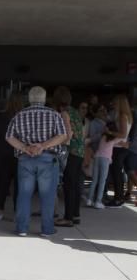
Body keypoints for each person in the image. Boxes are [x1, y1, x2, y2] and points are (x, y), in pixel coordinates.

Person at [6, 86, 67, 237]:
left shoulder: (19, 115)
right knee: (47, 195)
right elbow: (62, 136)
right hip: (48, 157)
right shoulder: (53, 114)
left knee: (24, 194)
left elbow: (9, 137)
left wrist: (25, 148)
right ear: (45, 99)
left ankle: (22, 228)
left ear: (29, 99)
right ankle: (47, 229)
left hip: (26, 159)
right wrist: (43, 146)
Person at [52, 87, 85, 227]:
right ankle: (76, 215)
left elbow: (68, 134)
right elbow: (81, 133)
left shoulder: (65, 113)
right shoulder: (76, 112)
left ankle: (68, 218)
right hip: (80, 151)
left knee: (68, 185)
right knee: (76, 185)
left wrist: (57, 145)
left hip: (71, 152)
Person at [0, 93, 23, 221]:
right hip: (19, 154)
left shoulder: (0, 117)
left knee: (3, 184)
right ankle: (16, 211)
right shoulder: (22, 118)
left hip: (2, 154)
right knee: (18, 185)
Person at [87, 123, 124, 209]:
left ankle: (89, 200)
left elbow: (93, 139)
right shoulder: (114, 138)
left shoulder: (102, 137)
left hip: (97, 157)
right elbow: (122, 137)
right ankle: (98, 201)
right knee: (102, 181)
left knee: (95, 180)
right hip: (105, 159)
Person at [106, 94, 133, 207]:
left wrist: (110, 132)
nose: (113, 104)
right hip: (121, 147)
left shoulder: (122, 116)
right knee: (117, 173)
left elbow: (122, 133)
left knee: (116, 174)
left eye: (115, 103)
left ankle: (118, 199)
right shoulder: (127, 115)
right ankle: (119, 197)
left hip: (118, 148)